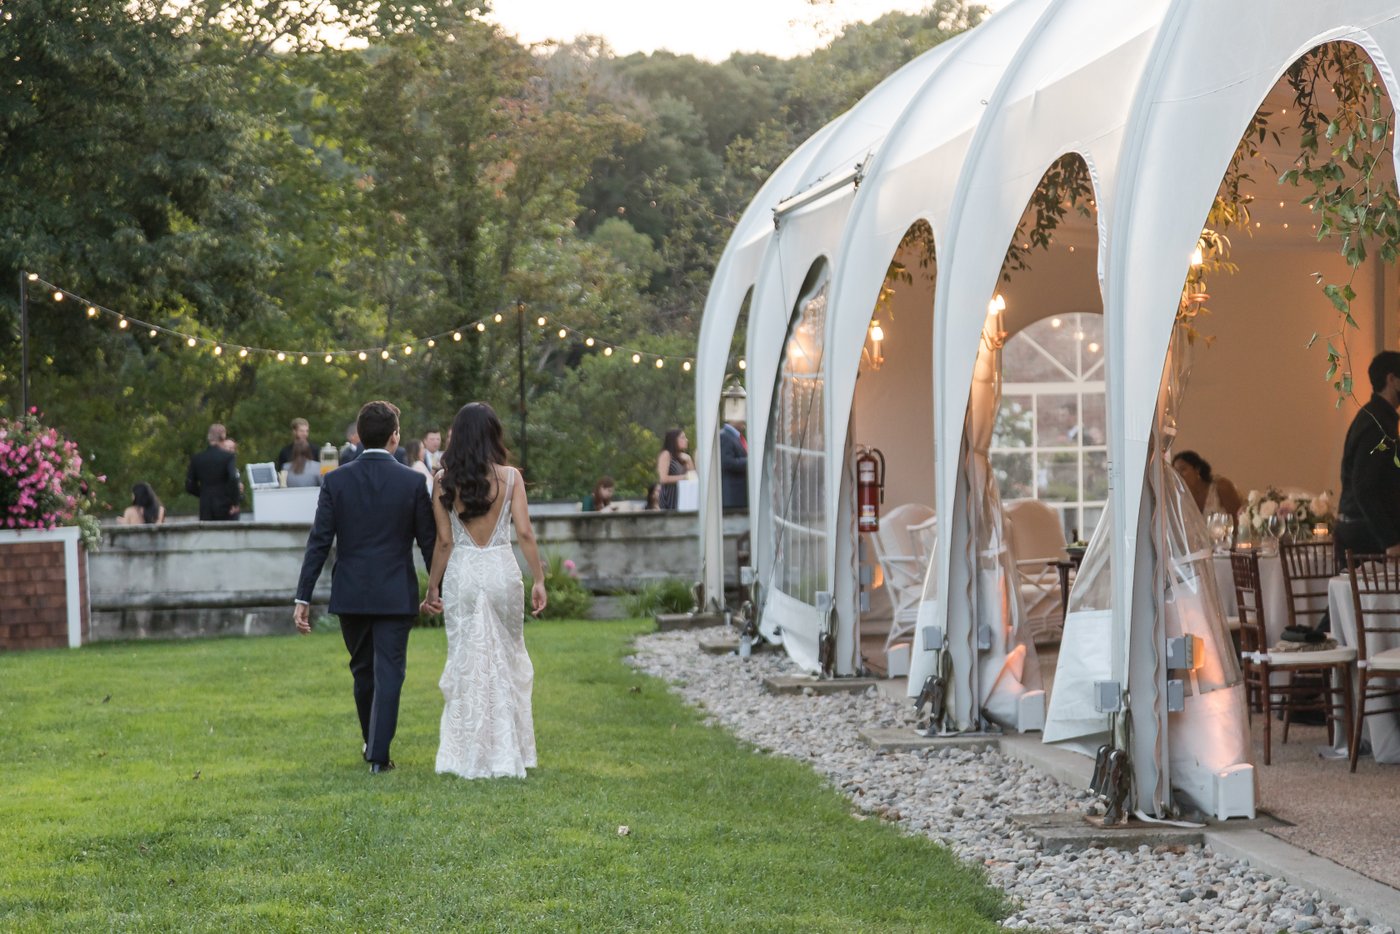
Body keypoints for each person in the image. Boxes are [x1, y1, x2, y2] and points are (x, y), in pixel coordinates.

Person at [294, 401, 436, 774]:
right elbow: (429, 542)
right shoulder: (412, 481)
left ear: (359, 435)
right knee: (389, 672)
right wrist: (437, 588)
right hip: (395, 593)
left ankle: (373, 745)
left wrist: (302, 596)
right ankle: (377, 752)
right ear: (395, 437)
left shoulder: (337, 480)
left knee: (362, 670)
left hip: (352, 592)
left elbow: (319, 541)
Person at [422, 402, 547, 780]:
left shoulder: (443, 480)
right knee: (507, 660)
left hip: (463, 571)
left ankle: (465, 752)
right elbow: (524, 533)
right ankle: (513, 751)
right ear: (494, 434)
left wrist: (431, 588)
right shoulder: (511, 477)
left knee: (466, 659)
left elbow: (444, 542)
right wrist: (539, 579)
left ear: (456, 436)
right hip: (501, 571)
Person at [1335, 351, 1400, 565]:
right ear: (1392, 380)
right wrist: (1389, 540)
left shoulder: (1374, 417)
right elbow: (1364, 487)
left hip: (1361, 528)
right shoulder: (1378, 424)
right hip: (1367, 536)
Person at [186, 423, 241, 521]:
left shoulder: (197, 458)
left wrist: (203, 493)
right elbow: (233, 478)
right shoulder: (228, 457)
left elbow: (189, 485)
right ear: (223, 437)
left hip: (205, 506)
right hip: (225, 506)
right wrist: (235, 502)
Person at [1172, 450, 1241, 520]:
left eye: (1183, 469)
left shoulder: (1221, 487)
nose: (1179, 475)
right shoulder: (1180, 497)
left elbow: (1238, 519)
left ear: (1197, 469)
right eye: (1176, 472)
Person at [656, 427, 695, 511]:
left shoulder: (683, 457)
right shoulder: (666, 454)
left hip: (682, 496)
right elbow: (663, 478)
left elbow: (693, 476)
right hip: (669, 497)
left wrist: (689, 460)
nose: (686, 440)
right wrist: (685, 477)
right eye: (683, 437)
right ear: (674, 440)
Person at [719, 419, 748, 510]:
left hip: (739, 495)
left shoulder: (735, 436)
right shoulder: (724, 436)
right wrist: (750, 462)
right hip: (733, 496)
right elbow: (727, 462)